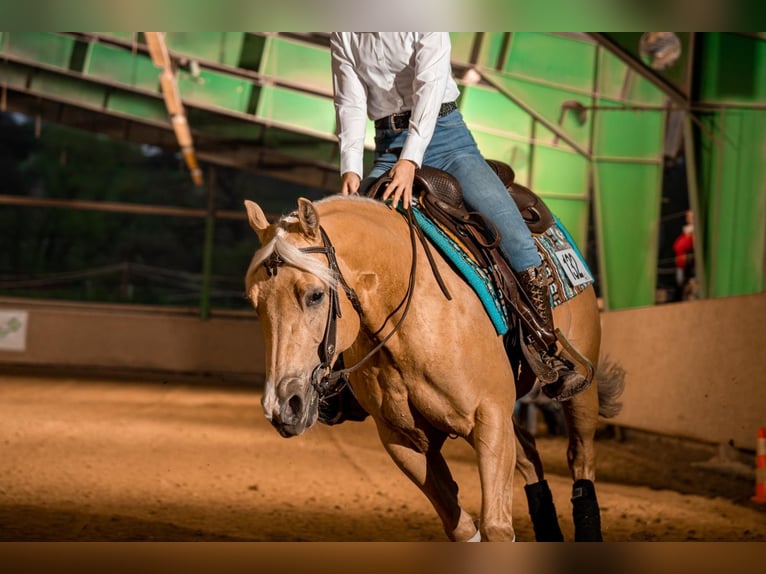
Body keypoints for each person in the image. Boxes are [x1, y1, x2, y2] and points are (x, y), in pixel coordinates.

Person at [330, 32, 587, 401]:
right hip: (387, 142)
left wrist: (410, 160)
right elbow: (350, 100)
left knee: (514, 236)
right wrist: (351, 167)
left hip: (447, 140)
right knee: (350, 244)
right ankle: (345, 373)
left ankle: (548, 350)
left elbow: (431, 84)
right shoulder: (343, 29)